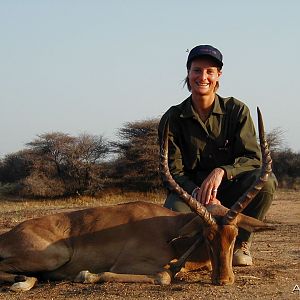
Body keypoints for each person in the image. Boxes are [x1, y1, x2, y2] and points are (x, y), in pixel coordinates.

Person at [158, 44, 277, 266]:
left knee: (267, 182)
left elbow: (253, 158)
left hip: (231, 190)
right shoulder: (172, 118)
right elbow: (171, 173)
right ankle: (201, 250)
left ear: (218, 75)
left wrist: (222, 171)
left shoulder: (237, 110)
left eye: (209, 71)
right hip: (192, 195)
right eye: (197, 70)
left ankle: (241, 243)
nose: (203, 77)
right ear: (188, 73)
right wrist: (197, 193)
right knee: (172, 220)